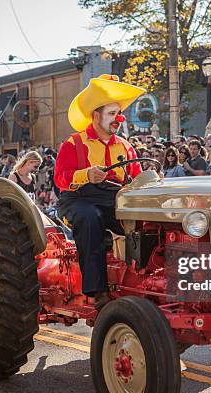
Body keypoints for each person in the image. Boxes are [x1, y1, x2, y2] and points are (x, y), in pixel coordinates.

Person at [54, 74, 144, 310]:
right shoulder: (73, 143)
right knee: (89, 217)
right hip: (78, 199)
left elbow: (136, 178)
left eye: (119, 114)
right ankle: (98, 291)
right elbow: (60, 179)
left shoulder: (126, 146)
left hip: (114, 199)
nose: (118, 119)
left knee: (145, 221)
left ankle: (142, 282)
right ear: (96, 115)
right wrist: (86, 175)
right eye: (112, 114)